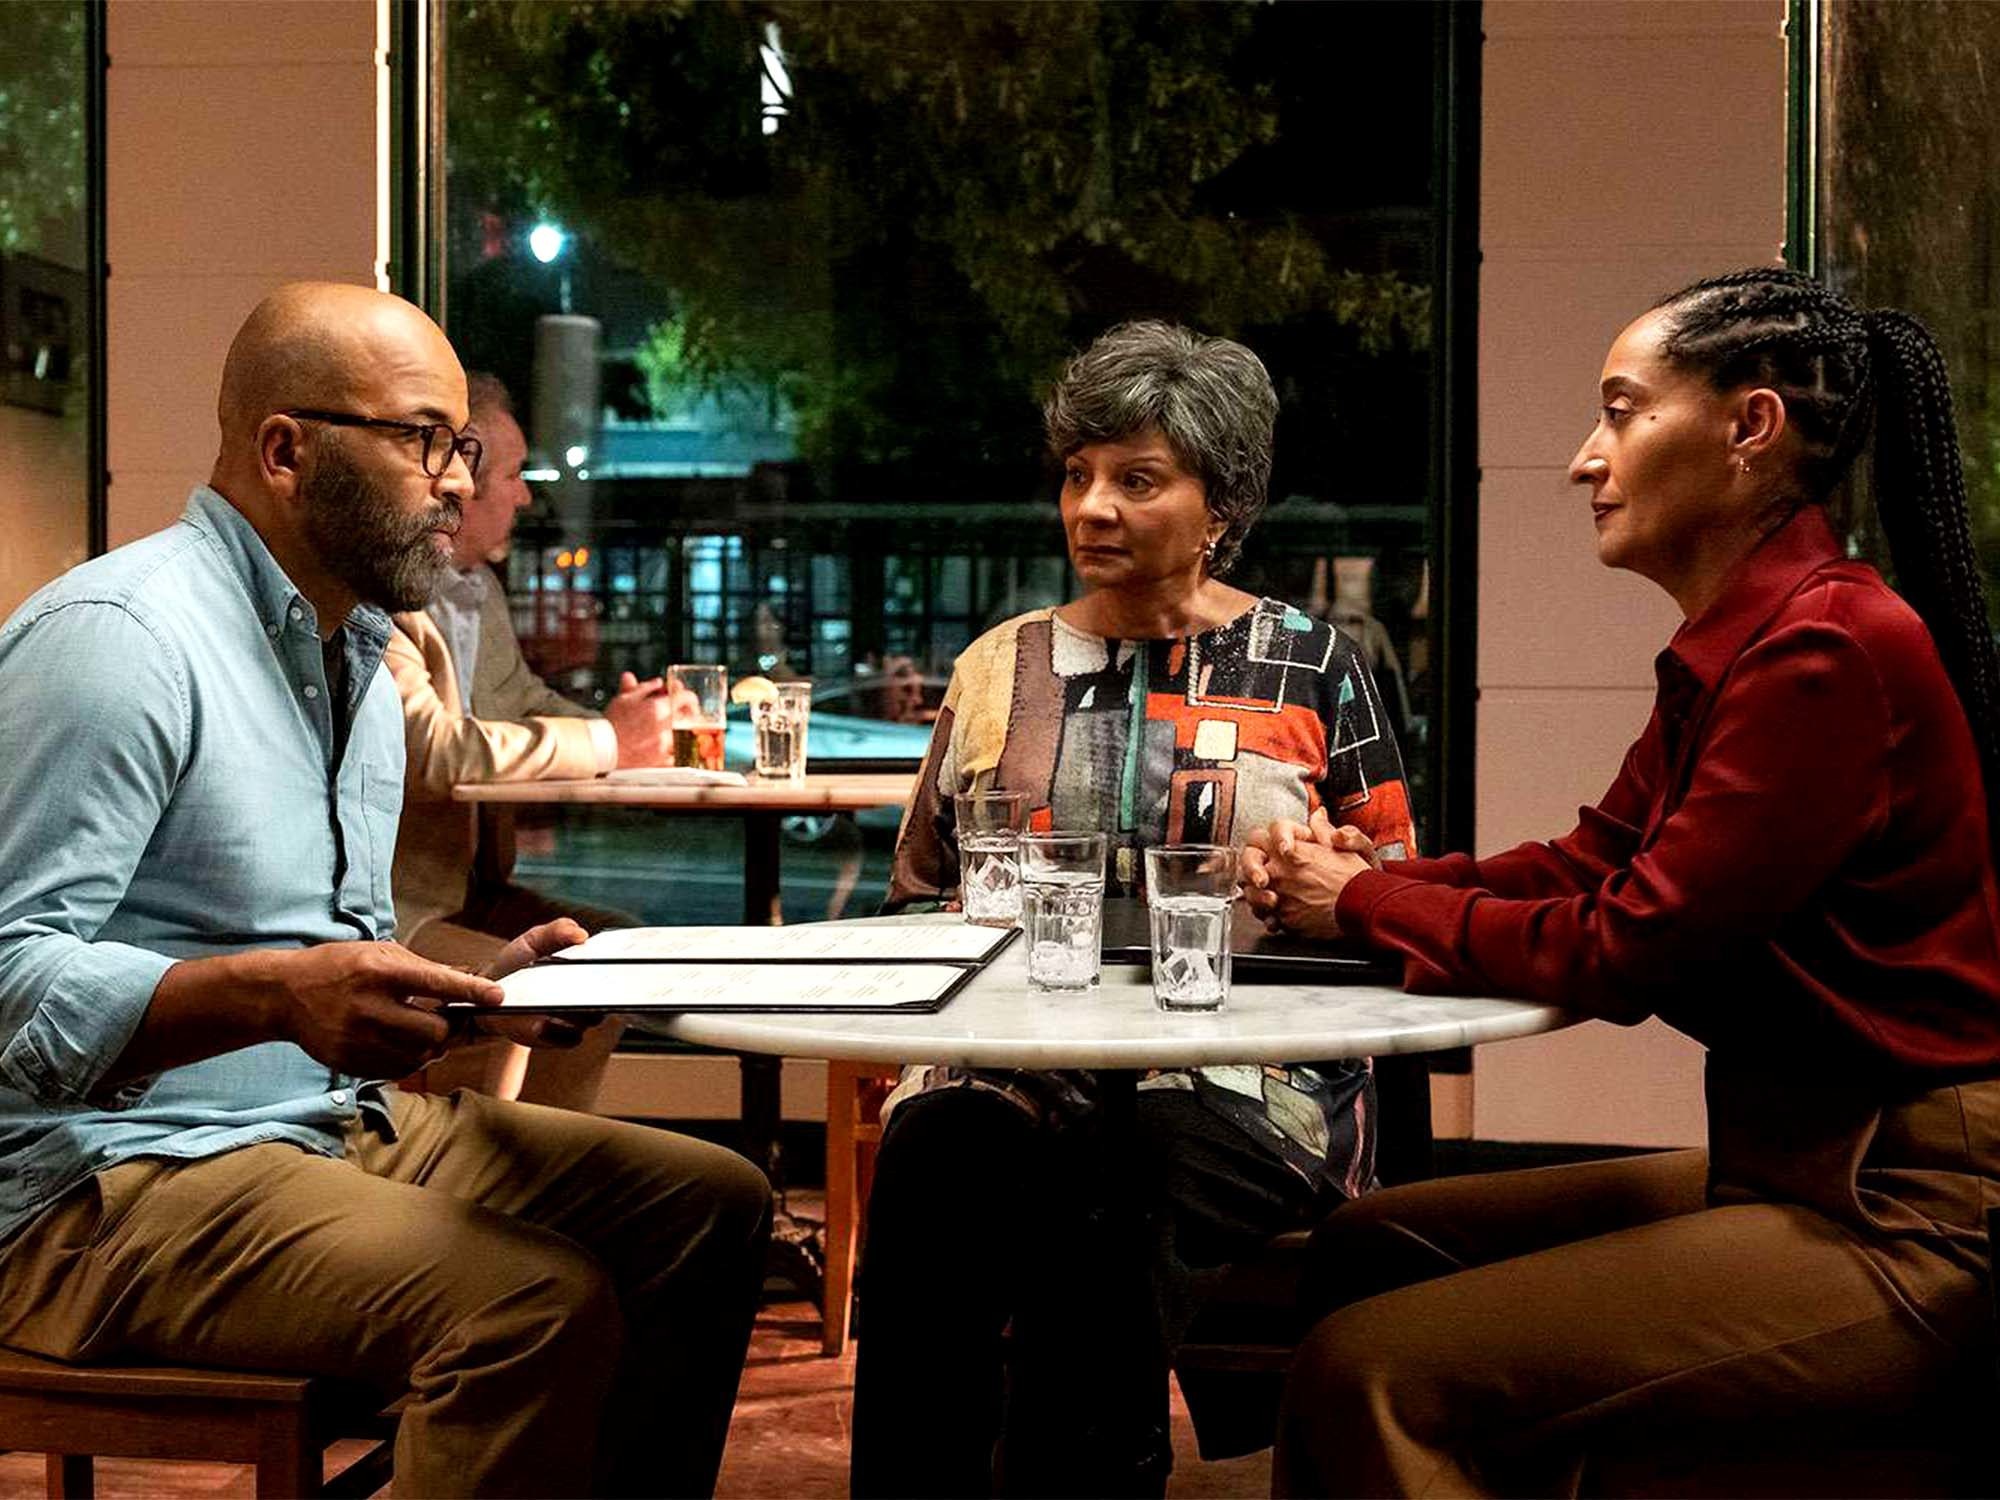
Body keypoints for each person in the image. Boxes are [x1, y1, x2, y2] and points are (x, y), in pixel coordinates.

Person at [0, 283, 770, 1497]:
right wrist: (272, 996)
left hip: (319, 1127)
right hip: (93, 1182)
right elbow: (8, 976)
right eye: (423, 440)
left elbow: (328, 968)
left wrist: (477, 995)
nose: (460, 481)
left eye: (462, 446)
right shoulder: (121, 640)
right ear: (285, 450)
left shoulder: (354, 651)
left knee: (711, 1204)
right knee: (525, 1303)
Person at [1245, 268, 2000, 1497]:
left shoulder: (1824, 648)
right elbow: (1595, 861)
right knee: (1370, 1245)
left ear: (1745, 429)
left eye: (1619, 410)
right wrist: (1373, 875)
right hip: (1797, 1161)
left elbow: (1623, 944)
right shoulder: (1752, 638)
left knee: (1370, 1368)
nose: (1584, 460)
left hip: (1902, 1204)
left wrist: (1366, 903)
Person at [851, 321, 1418, 1497]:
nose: (1091, 508)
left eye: (1136, 479)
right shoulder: (998, 666)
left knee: (1122, 1172)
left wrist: (1327, 890)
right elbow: (914, 899)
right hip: (1013, 1053)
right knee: (932, 1155)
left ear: (1222, 506)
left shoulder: (1313, 662)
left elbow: (1395, 903)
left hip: (1246, 1072)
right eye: (1077, 474)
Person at [388, 372, 682, 1105]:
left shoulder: (478, 589)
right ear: (459, 472)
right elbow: (436, 749)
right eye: (515, 475)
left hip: (475, 886)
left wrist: (629, 731)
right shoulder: (381, 595)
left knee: (619, 951)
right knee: (569, 981)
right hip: (401, 908)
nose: (524, 496)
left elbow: (518, 701)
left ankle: (546, 1153)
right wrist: (612, 746)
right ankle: (473, 1166)